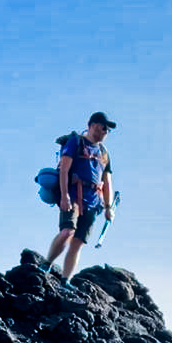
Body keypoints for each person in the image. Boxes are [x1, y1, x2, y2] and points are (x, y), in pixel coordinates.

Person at [43, 113, 115, 281]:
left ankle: (65, 280)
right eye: (103, 127)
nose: (105, 131)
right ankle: (46, 264)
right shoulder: (75, 142)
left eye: (107, 130)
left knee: (78, 242)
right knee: (67, 232)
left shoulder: (104, 153)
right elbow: (64, 169)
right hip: (73, 195)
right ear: (92, 125)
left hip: (93, 202)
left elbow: (107, 182)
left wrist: (108, 207)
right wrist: (64, 196)